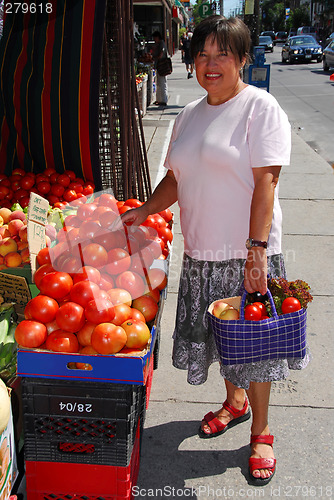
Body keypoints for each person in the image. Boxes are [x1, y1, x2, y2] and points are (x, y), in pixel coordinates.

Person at [120, 16, 309, 486]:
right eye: (202, 54)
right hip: (203, 250)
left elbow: (267, 181)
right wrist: (144, 210)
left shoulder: (259, 108)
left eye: (222, 53)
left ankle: (261, 432)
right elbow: (176, 179)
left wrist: (258, 250)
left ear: (244, 58)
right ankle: (235, 402)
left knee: (256, 348)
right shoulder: (189, 114)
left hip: (246, 250)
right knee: (222, 339)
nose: (210, 63)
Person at [152, 31, 168, 106]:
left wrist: (157, 57)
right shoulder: (159, 44)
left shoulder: (161, 43)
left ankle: (163, 100)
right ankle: (159, 99)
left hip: (162, 65)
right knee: (159, 82)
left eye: (155, 38)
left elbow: (162, 53)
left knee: (162, 82)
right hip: (159, 65)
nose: (154, 39)